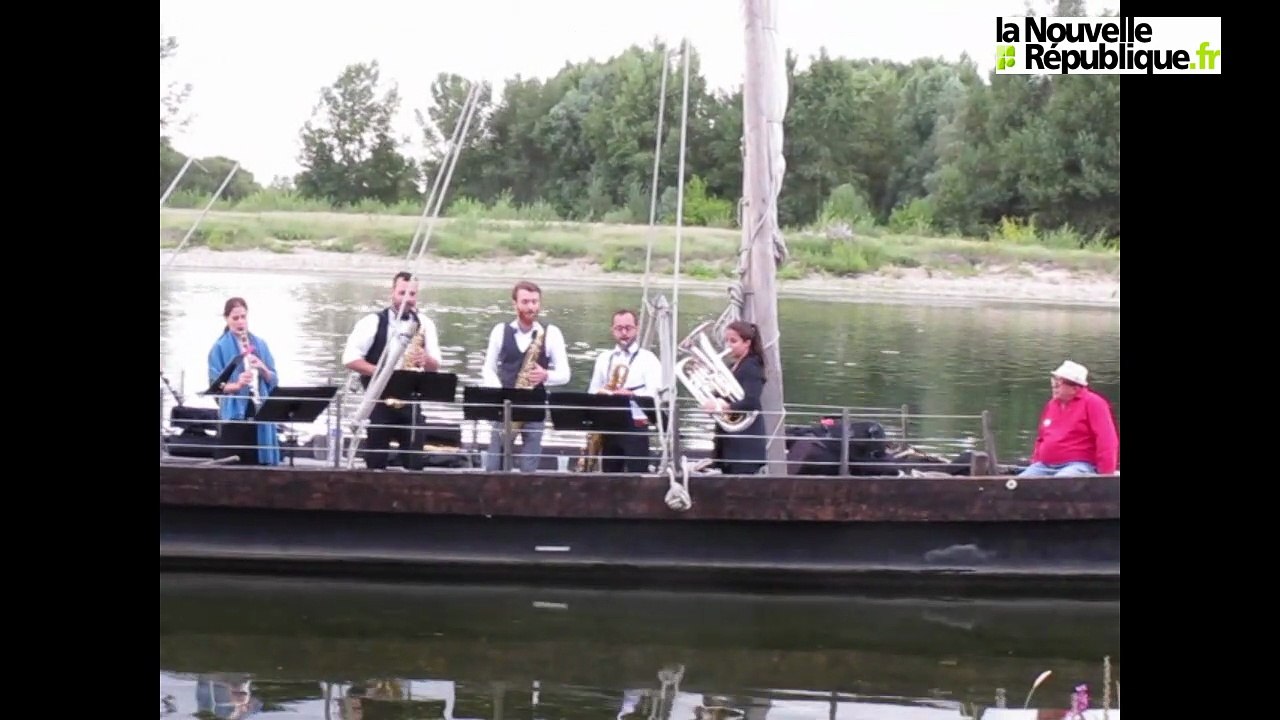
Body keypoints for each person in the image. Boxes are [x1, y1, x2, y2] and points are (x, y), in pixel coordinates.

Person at [342, 271, 442, 470]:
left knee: (414, 463)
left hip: (410, 401)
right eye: (402, 293)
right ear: (392, 293)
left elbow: (436, 365)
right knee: (376, 462)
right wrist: (382, 373)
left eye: (412, 294)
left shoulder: (425, 324)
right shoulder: (372, 322)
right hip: (379, 399)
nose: (407, 299)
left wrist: (425, 360)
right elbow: (349, 359)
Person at [479, 280, 571, 472]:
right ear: (514, 304)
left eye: (535, 302)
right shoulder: (500, 330)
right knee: (494, 464)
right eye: (526, 302)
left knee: (529, 467)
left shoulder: (551, 333)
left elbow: (565, 374)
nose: (531, 307)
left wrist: (545, 375)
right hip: (505, 405)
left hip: (534, 405)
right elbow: (488, 368)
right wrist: (499, 392)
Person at [586, 309, 664, 473]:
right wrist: (604, 393)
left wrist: (632, 395)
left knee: (638, 474)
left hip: (636, 425)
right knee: (609, 474)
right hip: (609, 425)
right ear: (612, 330)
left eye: (628, 328)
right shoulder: (603, 358)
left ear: (637, 329)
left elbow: (655, 394)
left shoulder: (648, 359)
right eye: (619, 328)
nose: (624, 333)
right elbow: (592, 392)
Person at [207, 296, 281, 465]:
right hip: (234, 412)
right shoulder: (219, 348)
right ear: (226, 319)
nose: (240, 322)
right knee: (231, 462)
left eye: (243, 317)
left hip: (259, 407)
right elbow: (215, 388)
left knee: (258, 460)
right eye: (235, 318)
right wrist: (238, 384)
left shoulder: (260, 344)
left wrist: (263, 368)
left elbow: (274, 381)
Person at [1017, 360, 1120, 477]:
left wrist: (1106, 475)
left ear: (1075, 388)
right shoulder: (1051, 404)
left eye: (1059, 382)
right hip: (1045, 465)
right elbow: (1041, 438)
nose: (1054, 385)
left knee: (1061, 481)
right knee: (1020, 482)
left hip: (1079, 464)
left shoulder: (1094, 403)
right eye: (1053, 380)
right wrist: (1035, 461)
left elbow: (1107, 440)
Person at [700, 320, 767, 475]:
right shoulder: (733, 366)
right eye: (727, 341)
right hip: (730, 440)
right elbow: (723, 395)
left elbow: (752, 402)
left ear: (747, 343)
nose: (728, 346)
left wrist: (724, 406)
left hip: (744, 443)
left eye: (733, 341)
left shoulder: (752, 366)